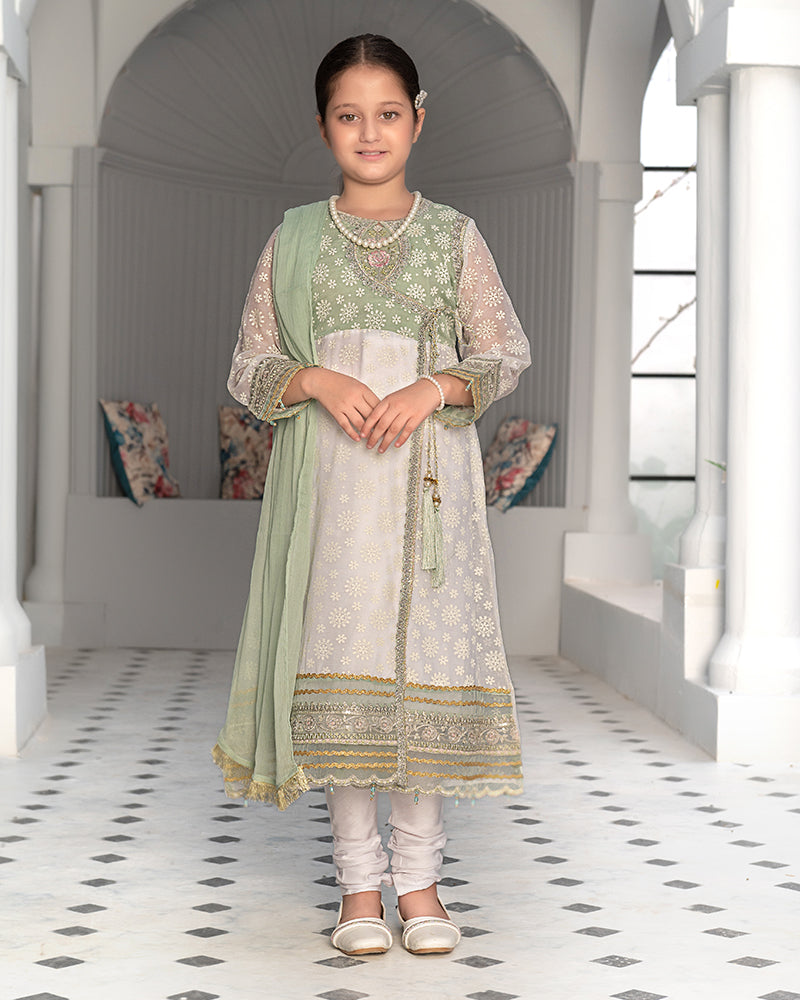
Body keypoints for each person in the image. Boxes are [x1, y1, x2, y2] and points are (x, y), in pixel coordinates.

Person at [212, 33, 531, 957]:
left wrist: (432, 387)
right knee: (342, 678)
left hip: (431, 493)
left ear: (418, 121)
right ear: (323, 127)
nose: (369, 131)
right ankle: (360, 891)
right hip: (334, 495)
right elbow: (250, 364)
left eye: (388, 113)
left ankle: (421, 888)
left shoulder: (454, 236)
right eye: (348, 115)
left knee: (419, 678)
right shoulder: (295, 239)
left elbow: (503, 352)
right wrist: (315, 379)